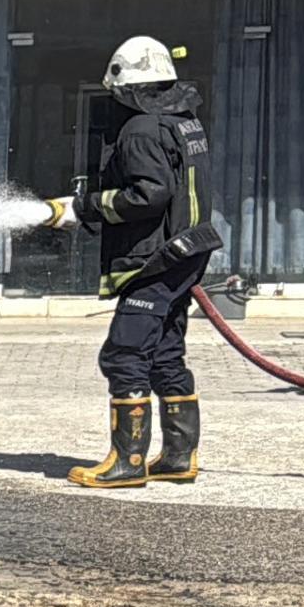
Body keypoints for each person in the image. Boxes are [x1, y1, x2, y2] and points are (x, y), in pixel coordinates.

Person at [44, 35, 223, 490]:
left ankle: (127, 462)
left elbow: (149, 194)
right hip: (185, 254)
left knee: (124, 353)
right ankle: (179, 458)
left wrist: (84, 207)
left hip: (155, 260)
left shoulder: (140, 129)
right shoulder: (183, 121)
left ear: (125, 86)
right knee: (165, 353)